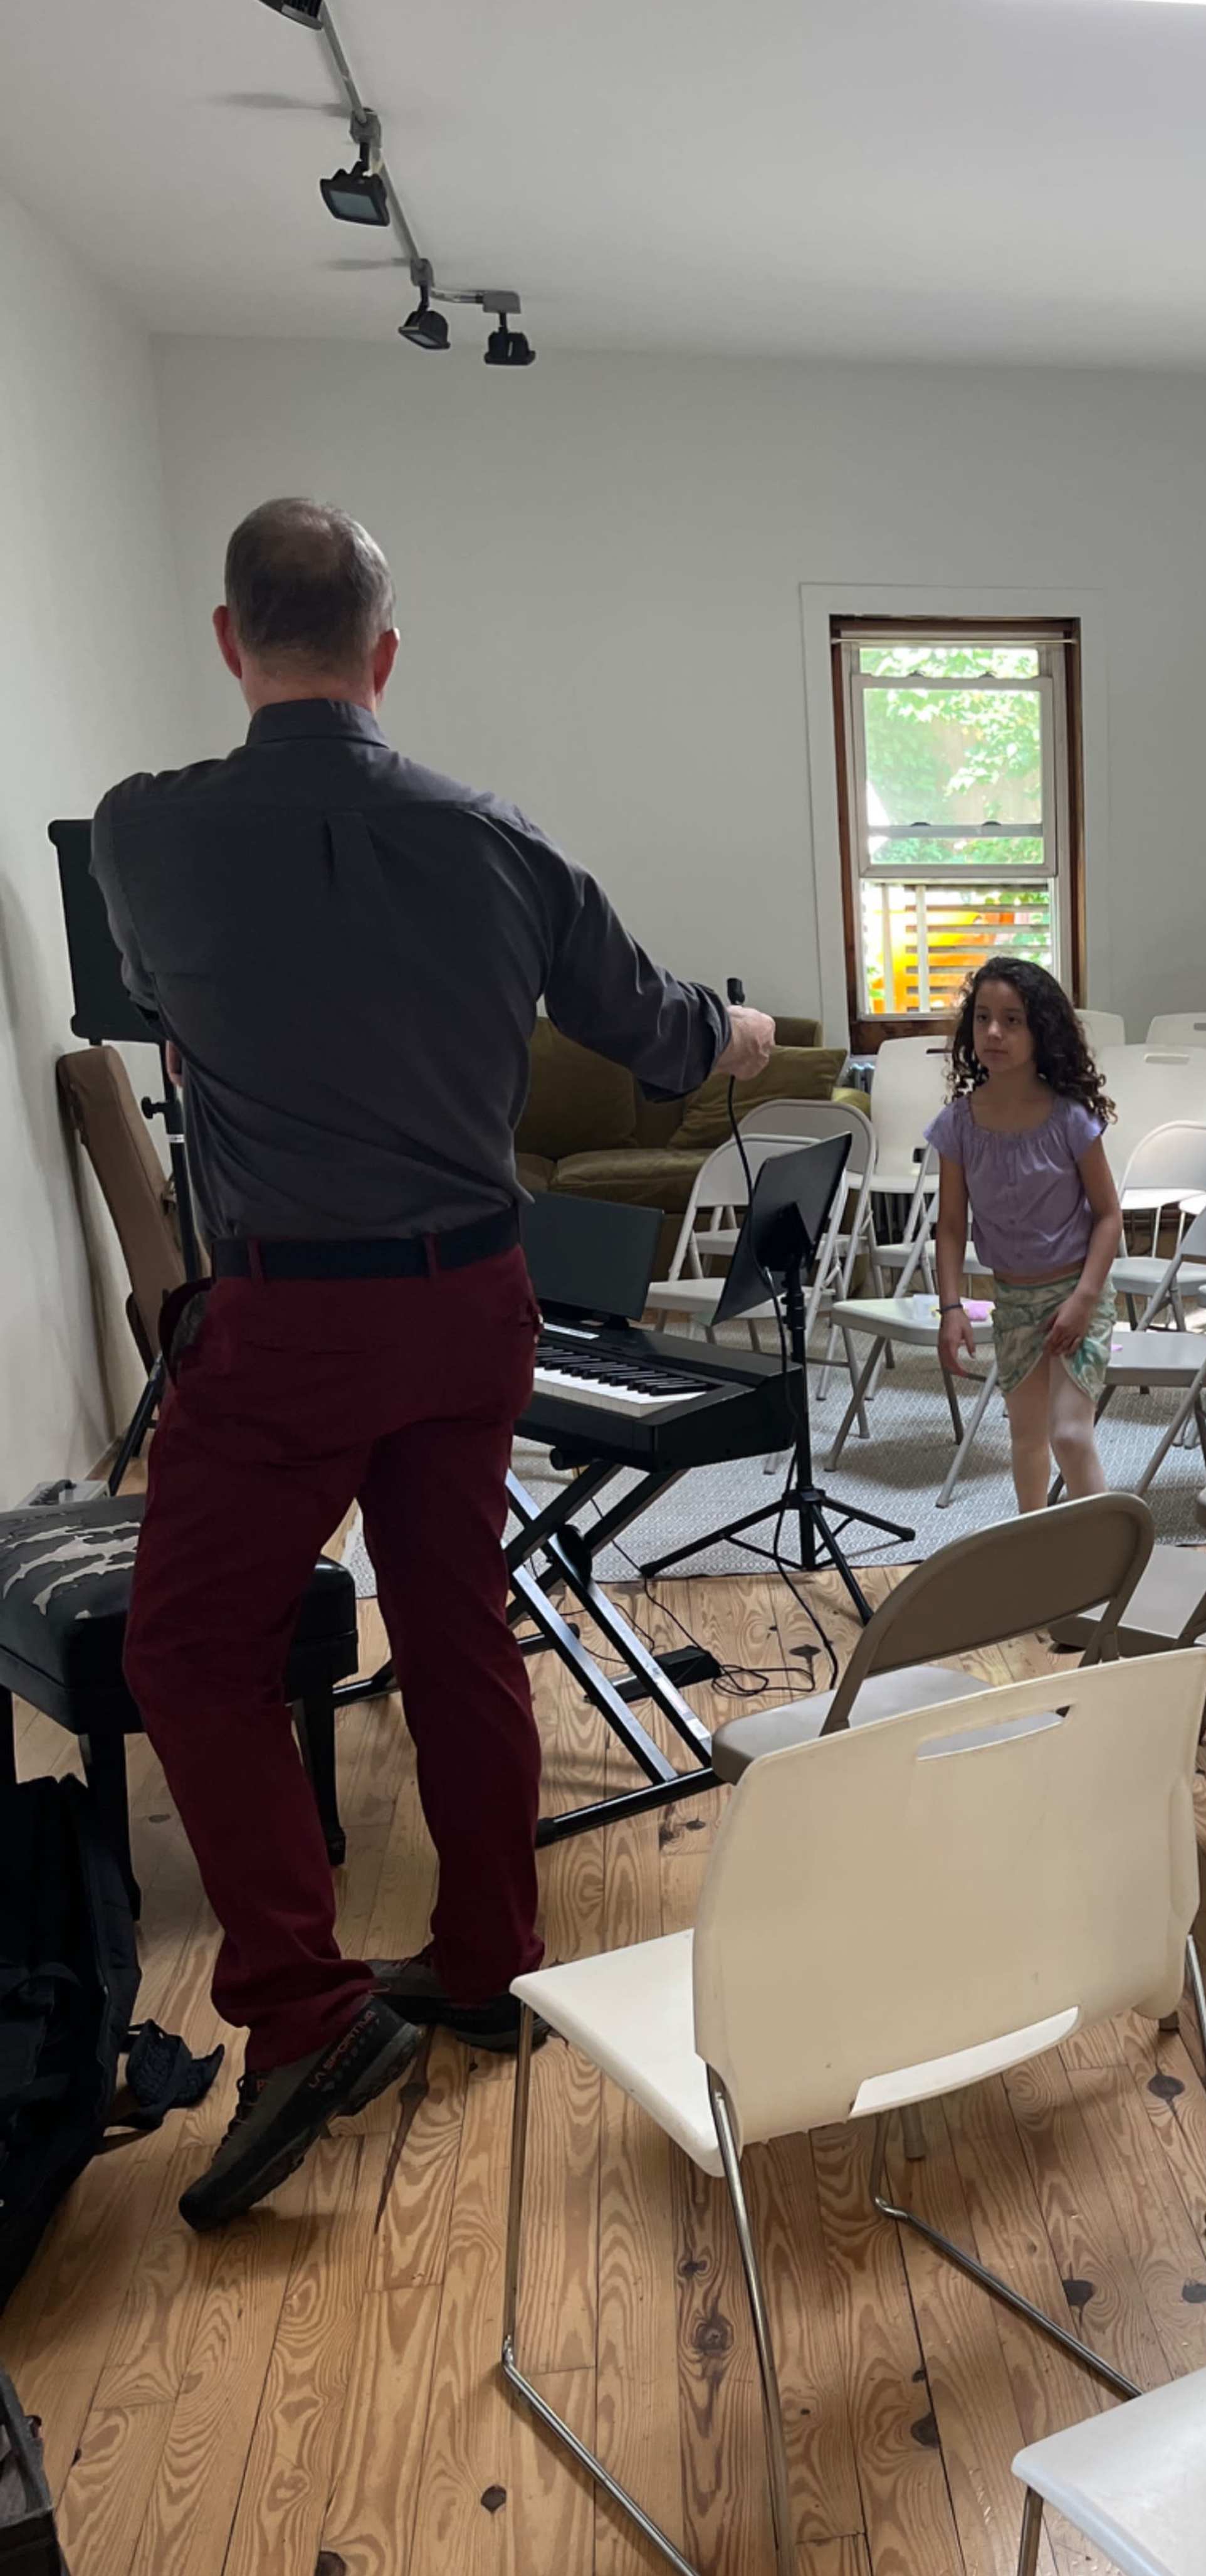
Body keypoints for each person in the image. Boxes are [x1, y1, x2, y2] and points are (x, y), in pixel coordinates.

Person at [92, 496, 775, 2230]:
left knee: (189, 1648)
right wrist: (746, 1031)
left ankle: (307, 2008)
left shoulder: (140, 838)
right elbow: (667, 1033)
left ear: (232, 642)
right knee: (456, 1613)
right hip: (472, 1296)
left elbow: (187, 998)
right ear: (387, 658)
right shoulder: (501, 844)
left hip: (286, 1315)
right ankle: (485, 1962)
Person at [928, 960, 1121, 1511]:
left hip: (1075, 1296)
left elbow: (1109, 1215)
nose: (994, 1032)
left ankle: (1107, 1560)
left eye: (1013, 1021)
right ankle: (1032, 1555)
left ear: (1041, 1031)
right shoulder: (959, 1125)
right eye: (984, 1018)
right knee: (1027, 1441)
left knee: (1069, 1435)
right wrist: (951, 1308)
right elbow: (950, 1225)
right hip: (1013, 1300)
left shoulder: (1069, 1119)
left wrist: (1085, 1300)